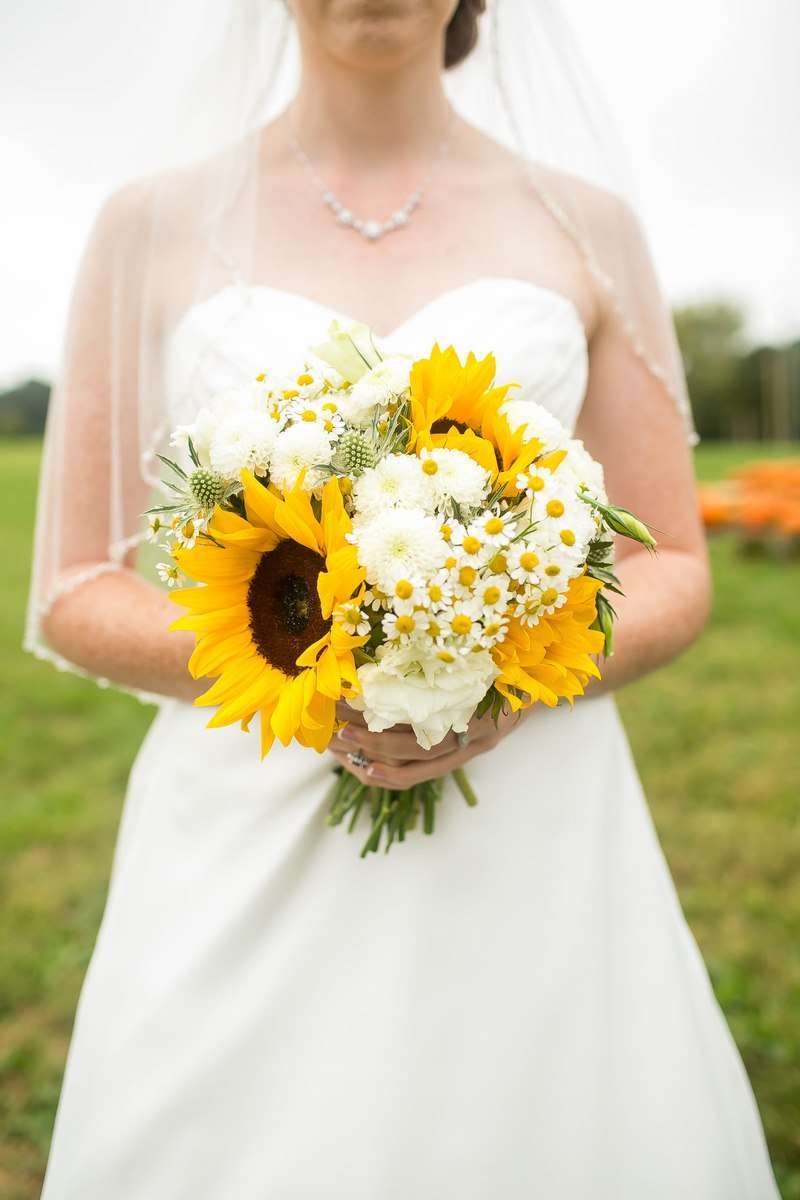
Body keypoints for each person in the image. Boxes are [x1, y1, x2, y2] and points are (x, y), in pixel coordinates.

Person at [25, 1, 780, 1195]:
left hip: (531, 823)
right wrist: (303, 679)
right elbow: (73, 584)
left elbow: (673, 562)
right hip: (240, 818)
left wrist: (508, 675)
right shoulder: (150, 224)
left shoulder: (588, 225)